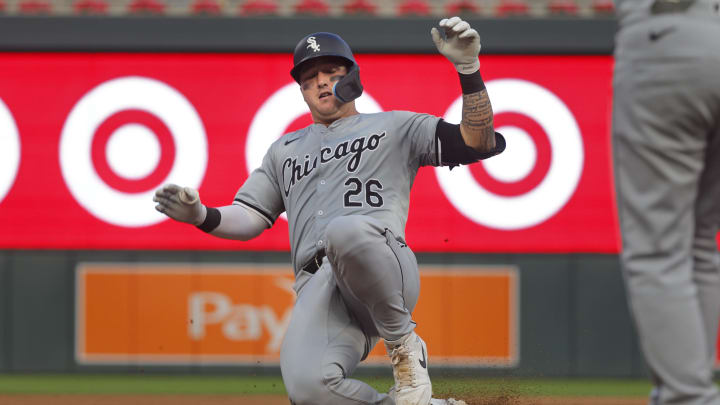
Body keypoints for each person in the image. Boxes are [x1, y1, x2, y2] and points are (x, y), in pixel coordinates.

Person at [154, 16, 504, 405]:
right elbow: (250, 216)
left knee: (345, 231)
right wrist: (202, 215)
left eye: (330, 70)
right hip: (319, 288)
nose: (319, 81)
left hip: (382, 267)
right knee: (307, 388)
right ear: (301, 91)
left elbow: (479, 142)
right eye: (309, 77)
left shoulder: (396, 126)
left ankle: (405, 346)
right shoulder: (283, 151)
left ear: (353, 76)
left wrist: (468, 71)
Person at [612, 1, 720, 404]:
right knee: (700, 243)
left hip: (669, 34)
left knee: (660, 252)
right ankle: (691, 388)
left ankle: (688, 396)